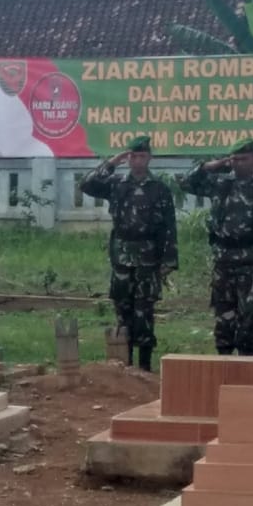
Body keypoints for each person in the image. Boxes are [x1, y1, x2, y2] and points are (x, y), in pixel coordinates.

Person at [79, 136, 177, 371]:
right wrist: (112, 162)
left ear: (149, 158)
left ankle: (144, 366)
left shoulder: (159, 188)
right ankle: (124, 364)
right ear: (128, 158)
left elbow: (169, 226)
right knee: (122, 309)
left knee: (144, 311)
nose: (137, 161)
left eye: (142, 156)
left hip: (148, 257)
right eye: (133, 156)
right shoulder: (116, 183)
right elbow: (87, 184)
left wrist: (169, 259)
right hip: (122, 257)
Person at [181, 139, 253, 355]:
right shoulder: (220, 184)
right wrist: (214, 165)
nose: (239, 163)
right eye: (236, 159)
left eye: (244, 159)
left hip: (252, 265)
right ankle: (223, 369)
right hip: (223, 263)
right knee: (223, 324)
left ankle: (250, 376)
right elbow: (186, 182)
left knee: (249, 324)